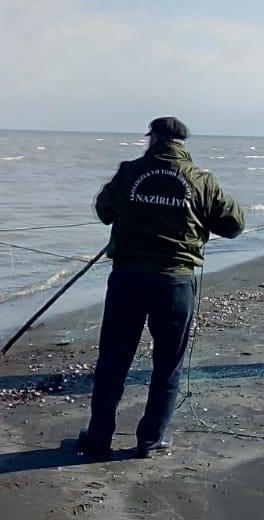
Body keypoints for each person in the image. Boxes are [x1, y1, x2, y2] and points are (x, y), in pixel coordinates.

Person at [78, 117, 245, 460]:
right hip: (173, 282)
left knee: (113, 359)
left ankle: (98, 439)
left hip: (129, 279)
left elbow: (103, 209)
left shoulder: (130, 171)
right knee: (167, 363)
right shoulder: (201, 180)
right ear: (182, 144)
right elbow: (232, 224)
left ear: (153, 139)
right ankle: (151, 439)